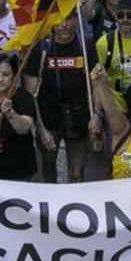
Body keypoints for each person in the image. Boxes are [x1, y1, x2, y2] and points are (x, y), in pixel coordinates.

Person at [24, 10, 100, 183]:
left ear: (76, 19)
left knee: (77, 174)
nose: (64, 25)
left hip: (77, 119)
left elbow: (95, 85)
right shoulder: (41, 48)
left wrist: (96, 115)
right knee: (49, 166)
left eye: (69, 18)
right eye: (59, 20)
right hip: (49, 119)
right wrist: (41, 129)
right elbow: (31, 94)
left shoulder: (85, 46)